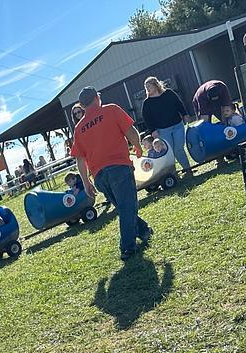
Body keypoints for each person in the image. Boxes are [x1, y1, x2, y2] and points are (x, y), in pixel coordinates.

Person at [71, 86, 152, 259]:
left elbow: (79, 158)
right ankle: (127, 247)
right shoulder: (111, 110)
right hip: (119, 167)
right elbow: (130, 131)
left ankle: (144, 230)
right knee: (128, 206)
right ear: (97, 98)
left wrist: (86, 182)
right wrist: (137, 146)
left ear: (82, 105)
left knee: (124, 207)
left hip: (99, 176)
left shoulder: (79, 128)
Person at [141, 76, 193, 175]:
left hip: (178, 125)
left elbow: (179, 104)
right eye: (145, 87)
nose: (147, 89)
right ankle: (172, 173)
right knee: (169, 151)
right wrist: (153, 130)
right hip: (163, 130)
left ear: (156, 85)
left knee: (178, 149)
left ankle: (188, 169)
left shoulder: (169, 93)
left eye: (149, 86)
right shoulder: (147, 103)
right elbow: (147, 119)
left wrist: (185, 114)